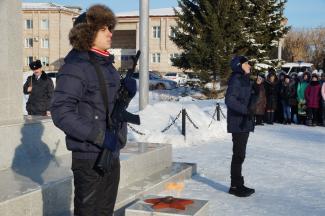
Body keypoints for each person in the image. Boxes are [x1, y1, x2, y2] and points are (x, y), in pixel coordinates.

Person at [51, 5, 136, 215]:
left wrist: (125, 96)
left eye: (110, 27)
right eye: (104, 28)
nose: (110, 32)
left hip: (111, 151)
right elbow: (61, 112)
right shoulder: (75, 67)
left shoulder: (106, 65)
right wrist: (98, 135)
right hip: (89, 157)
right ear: (88, 33)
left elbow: (105, 106)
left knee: (106, 211)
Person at [225, 56, 256, 197]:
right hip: (238, 122)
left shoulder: (244, 79)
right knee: (238, 155)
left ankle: (239, 184)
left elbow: (249, 98)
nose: (249, 65)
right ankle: (235, 186)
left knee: (240, 155)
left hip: (245, 122)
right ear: (239, 65)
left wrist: (258, 86)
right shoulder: (236, 79)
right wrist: (246, 110)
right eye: (246, 63)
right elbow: (230, 100)